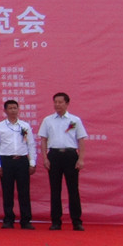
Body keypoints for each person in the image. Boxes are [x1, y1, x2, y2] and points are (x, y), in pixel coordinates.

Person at [38, 92, 88, 231]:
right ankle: (56, 221)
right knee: (55, 190)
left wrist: (81, 159)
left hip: (70, 155)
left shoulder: (75, 120)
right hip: (54, 155)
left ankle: (76, 221)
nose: (57, 105)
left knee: (73, 189)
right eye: (55, 102)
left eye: (60, 102)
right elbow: (43, 140)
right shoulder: (48, 120)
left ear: (67, 103)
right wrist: (45, 158)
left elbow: (81, 140)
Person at [0, 100, 37, 230]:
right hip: (6, 161)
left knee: (24, 192)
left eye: (15, 108)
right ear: (5, 111)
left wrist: (32, 162)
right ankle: (8, 219)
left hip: (22, 161)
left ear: (18, 109)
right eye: (10, 108)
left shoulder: (25, 126)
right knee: (7, 192)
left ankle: (26, 220)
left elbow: (31, 145)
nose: (13, 110)